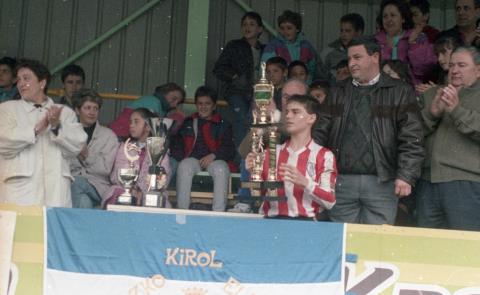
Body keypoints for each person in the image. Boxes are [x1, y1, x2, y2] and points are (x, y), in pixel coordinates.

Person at [318, 37, 424, 225]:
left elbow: (411, 137)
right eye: (350, 59)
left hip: (382, 182)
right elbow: (320, 133)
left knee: (377, 244)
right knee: (344, 243)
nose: (352, 64)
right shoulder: (337, 91)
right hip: (341, 181)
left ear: (375, 57)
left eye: (357, 57)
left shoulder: (399, 90)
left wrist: (406, 175)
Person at [0, 59, 87, 207]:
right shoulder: (7, 109)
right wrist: (35, 130)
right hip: (20, 194)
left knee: (51, 230)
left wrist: (56, 127)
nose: (21, 83)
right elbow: (3, 142)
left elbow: (78, 146)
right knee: (20, 230)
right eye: (19, 79)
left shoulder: (64, 113)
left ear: (42, 83)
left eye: (26, 78)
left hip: (56, 194)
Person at [417, 46, 480, 231]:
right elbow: (411, 135)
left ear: (478, 69)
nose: (454, 70)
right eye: (451, 65)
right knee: (428, 246)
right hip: (428, 180)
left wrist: (456, 111)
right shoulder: (431, 94)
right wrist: (432, 114)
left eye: (462, 65)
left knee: (464, 247)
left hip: (466, 181)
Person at [245, 94, 337, 219]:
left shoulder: (324, 156)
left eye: (295, 112)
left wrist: (305, 182)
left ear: (311, 118)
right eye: (287, 112)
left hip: (305, 226)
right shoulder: (269, 153)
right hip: (272, 223)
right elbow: (257, 197)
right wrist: (253, 173)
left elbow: (329, 202)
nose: (288, 116)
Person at [172, 86, 235, 212]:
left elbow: (229, 149)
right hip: (193, 159)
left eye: (207, 103)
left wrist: (214, 155)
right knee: (184, 165)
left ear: (214, 105)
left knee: (221, 169)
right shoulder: (189, 122)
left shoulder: (223, 123)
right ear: (196, 104)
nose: (203, 107)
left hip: (215, 160)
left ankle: (218, 213)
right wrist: (182, 157)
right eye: (200, 103)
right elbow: (176, 143)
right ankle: (181, 211)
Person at [213, 11, 264, 150]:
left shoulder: (265, 49)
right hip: (237, 91)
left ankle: (256, 156)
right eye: (244, 24)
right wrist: (235, 77)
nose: (247, 27)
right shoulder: (234, 45)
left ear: (260, 29)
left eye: (252, 24)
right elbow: (219, 68)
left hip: (258, 93)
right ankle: (242, 159)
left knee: (258, 122)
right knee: (242, 120)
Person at [104, 108, 171, 207]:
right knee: (117, 194)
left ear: (148, 127)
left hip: (151, 191)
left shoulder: (159, 149)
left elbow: (163, 177)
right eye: (130, 122)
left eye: (136, 122)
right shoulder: (124, 147)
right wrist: (133, 190)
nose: (131, 125)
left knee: (154, 199)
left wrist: (143, 191)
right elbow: (117, 173)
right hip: (125, 189)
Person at [70, 89, 119, 208]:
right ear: (77, 110)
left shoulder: (109, 136)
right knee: (83, 200)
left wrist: (87, 155)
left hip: (98, 187)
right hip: (70, 186)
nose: (92, 112)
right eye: (87, 108)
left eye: (95, 108)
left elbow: (105, 169)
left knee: (76, 182)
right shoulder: (67, 134)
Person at [375, 0, 437, 85]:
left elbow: (422, 70)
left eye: (393, 15)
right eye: (385, 16)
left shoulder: (418, 37)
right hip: (380, 91)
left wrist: (413, 44)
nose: (389, 19)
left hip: (410, 91)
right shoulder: (375, 41)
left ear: (403, 18)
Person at [109, 82, 185, 138]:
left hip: (121, 137)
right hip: (121, 137)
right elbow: (158, 131)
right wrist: (178, 116)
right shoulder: (153, 102)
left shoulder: (157, 105)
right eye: (174, 99)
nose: (175, 104)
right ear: (165, 92)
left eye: (178, 103)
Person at [261, 10, 318, 83]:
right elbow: (264, 70)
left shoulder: (306, 46)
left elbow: (312, 70)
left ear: (297, 29)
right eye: (282, 28)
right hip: (280, 88)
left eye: (289, 28)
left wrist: (307, 84)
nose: (285, 31)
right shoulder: (272, 47)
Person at [319, 13, 365, 82]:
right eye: (341, 30)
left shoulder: (368, 53)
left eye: (348, 31)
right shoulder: (329, 52)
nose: (343, 34)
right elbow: (321, 79)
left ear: (359, 32)